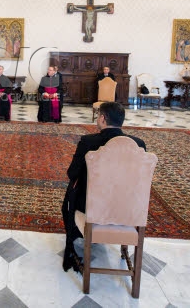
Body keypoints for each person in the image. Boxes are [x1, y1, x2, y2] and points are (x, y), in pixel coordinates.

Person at [61, 101, 146, 273]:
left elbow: (72, 174)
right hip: (128, 208)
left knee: (69, 198)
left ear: (102, 118)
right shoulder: (139, 144)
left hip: (93, 207)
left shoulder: (88, 142)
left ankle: (80, 235)